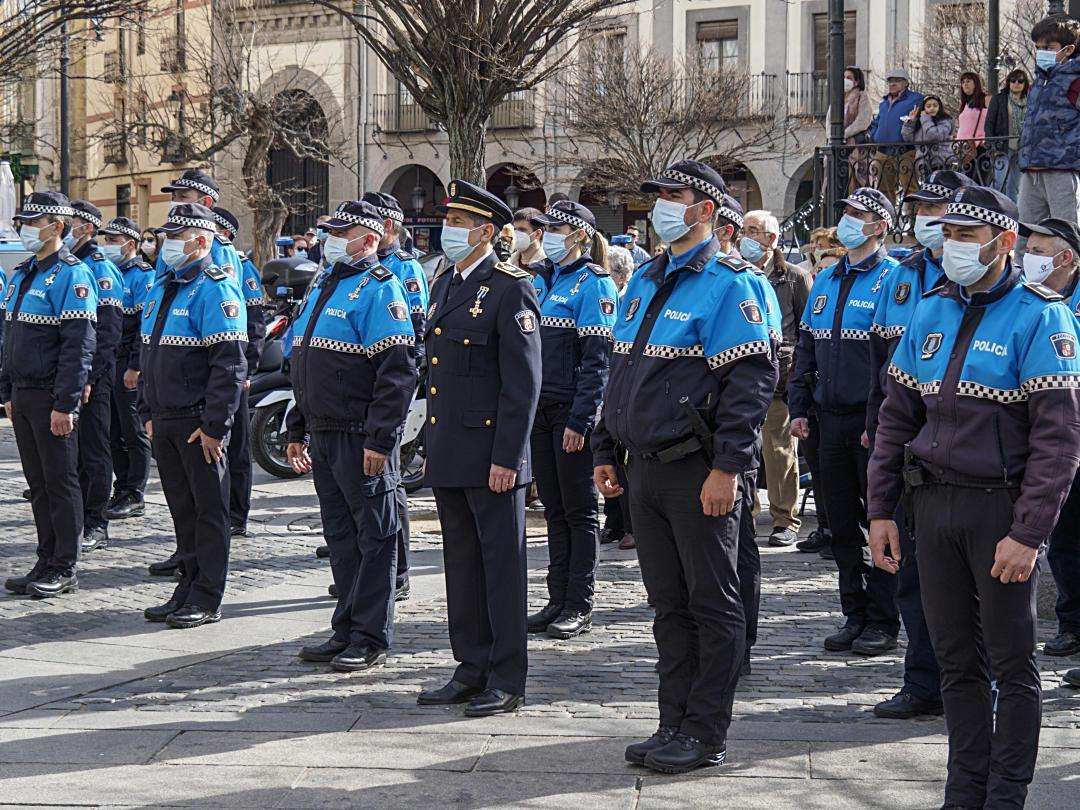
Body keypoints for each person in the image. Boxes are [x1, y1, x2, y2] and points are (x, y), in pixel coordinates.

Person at [868, 185, 1080, 809]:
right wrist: (880, 510)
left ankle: (1006, 793)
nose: (951, 245)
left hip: (1000, 509)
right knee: (955, 658)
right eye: (948, 234)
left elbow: (1060, 441)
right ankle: (965, 790)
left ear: (1004, 241)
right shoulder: (931, 309)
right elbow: (895, 420)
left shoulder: (1042, 315)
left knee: (1012, 663)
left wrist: (1029, 534)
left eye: (965, 236)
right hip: (932, 505)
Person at [593, 160, 780, 774]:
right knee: (667, 605)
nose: (662, 207)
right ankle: (672, 720)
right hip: (643, 469)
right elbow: (620, 370)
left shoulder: (731, 282)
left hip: (697, 470)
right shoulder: (646, 278)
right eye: (659, 197)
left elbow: (749, 384)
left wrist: (729, 468)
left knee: (712, 603)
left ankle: (706, 732)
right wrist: (605, 448)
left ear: (706, 209)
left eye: (676, 196)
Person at [416, 180, 541, 717]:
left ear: (486, 231)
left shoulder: (511, 287)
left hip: (491, 453)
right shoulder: (447, 282)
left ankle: (506, 675)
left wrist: (507, 459)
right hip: (451, 449)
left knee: (501, 567)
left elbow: (523, 383)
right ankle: (470, 665)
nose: (450, 231)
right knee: (461, 565)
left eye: (459, 223)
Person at [284, 200, 416, 672]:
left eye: (342, 232)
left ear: (370, 238)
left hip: (360, 435)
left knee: (375, 537)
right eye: (330, 231)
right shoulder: (326, 284)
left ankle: (370, 634)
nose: (331, 239)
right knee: (341, 537)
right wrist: (296, 425)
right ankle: (345, 627)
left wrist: (381, 440)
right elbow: (304, 361)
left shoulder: (381, 289)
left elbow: (397, 373)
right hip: (323, 430)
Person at [866, 170, 973, 720]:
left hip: (969, 458)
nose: (928, 219)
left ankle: (973, 687)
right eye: (922, 208)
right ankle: (923, 680)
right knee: (913, 578)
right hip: (908, 441)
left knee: (970, 594)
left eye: (937, 208)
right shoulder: (903, 276)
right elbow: (884, 364)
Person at [788, 187, 901, 656]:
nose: (848, 221)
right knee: (838, 522)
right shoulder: (828, 279)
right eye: (846, 213)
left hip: (868, 420)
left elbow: (892, 359)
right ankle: (853, 612)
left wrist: (881, 421)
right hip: (826, 419)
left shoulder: (893, 279)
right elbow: (807, 347)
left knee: (879, 517)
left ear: (880, 226)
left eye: (859, 215)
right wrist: (798, 405)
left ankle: (883, 618)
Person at [139, 204, 247, 629]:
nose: (166, 244)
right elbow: (146, 352)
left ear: (201, 241)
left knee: (208, 512)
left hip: (197, 422)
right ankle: (186, 585)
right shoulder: (164, 286)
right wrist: (147, 413)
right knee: (182, 510)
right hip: (164, 419)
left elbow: (229, 366)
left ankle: (207, 595)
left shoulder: (215, 288)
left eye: (176, 237)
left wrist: (215, 426)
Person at [522, 201, 618, 640]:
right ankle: (555, 597)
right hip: (539, 410)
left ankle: (579, 602)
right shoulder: (541, 280)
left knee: (579, 512)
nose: (548, 234)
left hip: (570, 412)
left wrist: (582, 422)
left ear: (579, 234)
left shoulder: (593, 284)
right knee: (554, 511)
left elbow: (598, 363)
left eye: (556, 227)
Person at [1, 192, 97, 598]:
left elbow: (79, 346)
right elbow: (9, 336)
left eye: (32, 222)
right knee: (38, 483)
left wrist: (66, 402)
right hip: (22, 394)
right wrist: (6, 389)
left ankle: (65, 564)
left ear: (56, 226)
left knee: (60, 482)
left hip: (50, 396)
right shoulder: (25, 273)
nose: (25, 229)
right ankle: (45, 557)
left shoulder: (73, 276)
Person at [1019, 217, 1080, 661]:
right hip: (1055, 437)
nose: (1029, 257)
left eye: (1040, 249)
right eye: (1029, 248)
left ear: (1067, 258)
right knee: (1065, 538)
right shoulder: (1031, 301)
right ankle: (1072, 625)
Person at [365, 190, 430, 601]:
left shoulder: (405, 269)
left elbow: (416, 336)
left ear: (387, 227)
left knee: (390, 480)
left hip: (390, 389)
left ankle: (398, 568)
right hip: (358, 392)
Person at [739, 210, 811, 548]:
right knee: (741, 447)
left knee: (778, 450)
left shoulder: (793, 277)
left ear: (771, 239)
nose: (746, 236)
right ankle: (746, 513)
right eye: (744, 229)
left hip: (779, 375)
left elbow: (805, 329)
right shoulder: (736, 274)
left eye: (754, 230)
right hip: (740, 374)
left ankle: (785, 519)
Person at [65, 201, 124, 554]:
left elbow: (108, 333)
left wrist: (91, 377)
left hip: (94, 377)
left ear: (86, 227)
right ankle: (79, 517)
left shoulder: (100, 269)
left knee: (95, 448)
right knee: (76, 453)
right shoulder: (73, 265)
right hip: (75, 375)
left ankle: (97, 521)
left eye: (71, 222)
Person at [209, 206, 266, 538]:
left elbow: (255, 324)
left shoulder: (242, 268)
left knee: (238, 446)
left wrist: (248, 367)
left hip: (236, 370)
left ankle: (237, 513)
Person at [100, 217, 154, 522]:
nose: (108, 246)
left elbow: (143, 328)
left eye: (113, 241)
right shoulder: (111, 273)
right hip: (110, 360)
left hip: (128, 362)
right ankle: (121, 487)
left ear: (130, 245)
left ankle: (135, 492)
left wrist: (135, 366)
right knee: (113, 429)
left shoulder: (142, 277)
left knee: (133, 430)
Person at [1017, 13, 1080, 260]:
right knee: (1025, 232)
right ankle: (1021, 283)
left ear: (1069, 49)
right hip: (1032, 168)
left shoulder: (1075, 81)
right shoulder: (1040, 81)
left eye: (1049, 47)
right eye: (1039, 47)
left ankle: (1073, 287)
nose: (1042, 52)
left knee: (1066, 234)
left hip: (1062, 169)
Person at [870, 68, 924, 203]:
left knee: (910, 189)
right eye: (890, 81)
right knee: (883, 191)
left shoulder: (916, 99)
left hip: (904, 151)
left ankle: (913, 221)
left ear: (906, 83)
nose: (892, 84)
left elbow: (924, 118)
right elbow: (876, 123)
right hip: (882, 152)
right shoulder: (883, 103)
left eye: (897, 81)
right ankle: (888, 221)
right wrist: (874, 135)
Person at [825, 66, 873, 189]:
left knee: (854, 181)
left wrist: (843, 134)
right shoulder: (837, 99)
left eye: (849, 78)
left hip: (855, 147)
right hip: (836, 146)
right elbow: (829, 121)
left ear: (856, 81)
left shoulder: (862, 96)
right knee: (833, 182)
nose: (845, 80)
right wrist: (832, 136)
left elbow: (863, 121)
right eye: (844, 77)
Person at [986, 68, 1030, 201]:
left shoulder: (1030, 101)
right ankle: (990, 207)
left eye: (1020, 81)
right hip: (1002, 147)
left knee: (1014, 186)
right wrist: (991, 146)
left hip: (1022, 149)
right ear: (1008, 82)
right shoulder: (999, 99)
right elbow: (989, 123)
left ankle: (1011, 215)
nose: (1016, 83)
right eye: (1013, 80)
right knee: (998, 182)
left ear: (1025, 84)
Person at [901, 95, 956, 176]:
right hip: (925, 163)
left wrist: (925, 118)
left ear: (939, 107)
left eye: (935, 105)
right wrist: (911, 122)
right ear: (924, 109)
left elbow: (934, 136)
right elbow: (907, 138)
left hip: (942, 162)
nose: (932, 108)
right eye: (928, 106)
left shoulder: (945, 120)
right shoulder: (922, 122)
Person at [956, 71, 990, 168]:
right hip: (964, 148)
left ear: (976, 83)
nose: (965, 84)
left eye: (968, 81)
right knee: (965, 180)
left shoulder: (985, 99)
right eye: (963, 82)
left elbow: (993, 120)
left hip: (980, 147)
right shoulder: (964, 104)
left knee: (977, 180)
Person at [508, 207, 545, 272]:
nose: (516, 234)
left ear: (537, 234)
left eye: (522, 230)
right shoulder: (509, 261)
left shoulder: (547, 264)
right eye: (515, 229)